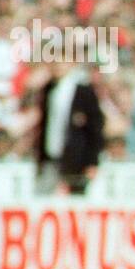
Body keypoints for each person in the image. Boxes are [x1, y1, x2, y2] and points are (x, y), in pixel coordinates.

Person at [35, 60, 104, 195]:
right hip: (52, 154)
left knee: (76, 196)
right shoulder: (49, 89)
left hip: (76, 157)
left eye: (62, 62)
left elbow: (94, 129)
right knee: (44, 196)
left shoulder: (83, 91)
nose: (58, 67)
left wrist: (92, 161)